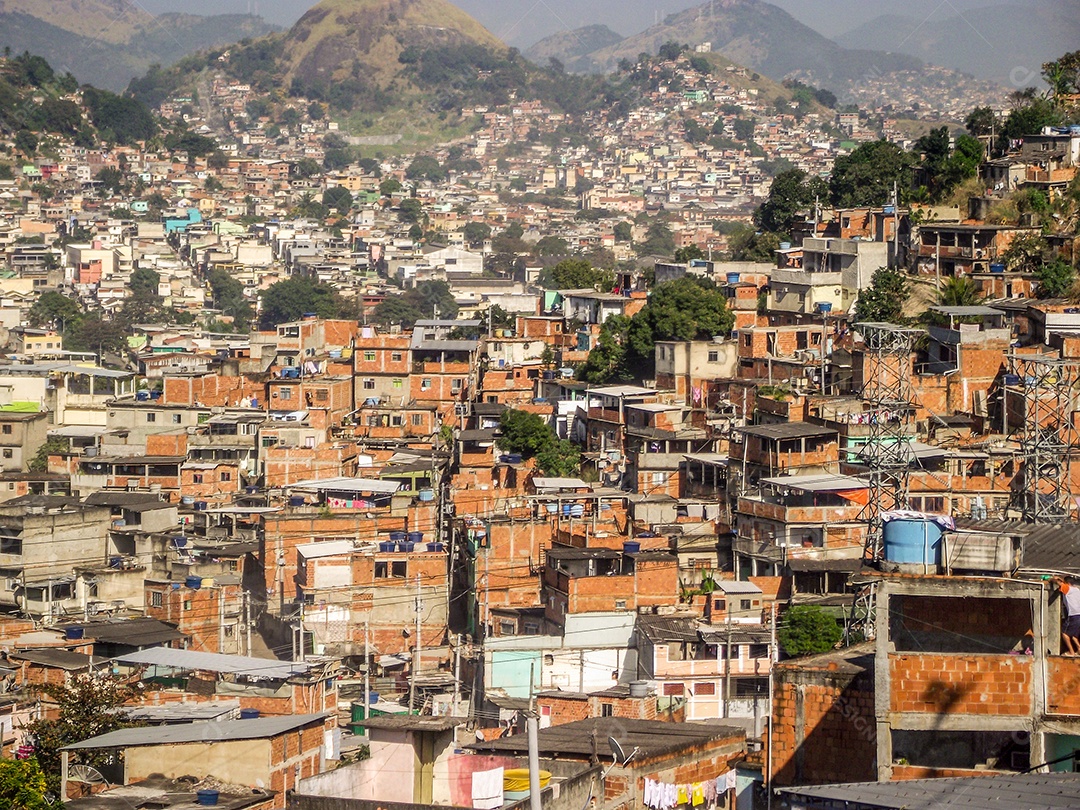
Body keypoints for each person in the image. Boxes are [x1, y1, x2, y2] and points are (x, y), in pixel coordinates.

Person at [1051, 576, 1080, 655]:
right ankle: (1079, 649)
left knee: (1065, 633)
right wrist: (1062, 579)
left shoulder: (1068, 589)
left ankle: (1071, 652)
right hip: (1079, 614)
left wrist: (1053, 578)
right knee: (1074, 635)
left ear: (1067, 583)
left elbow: (1058, 583)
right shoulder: (1077, 590)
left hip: (1073, 615)